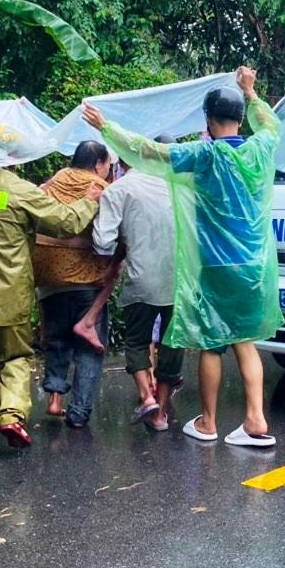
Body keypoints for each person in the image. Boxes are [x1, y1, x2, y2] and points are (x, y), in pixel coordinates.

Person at [82, 66, 283, 447]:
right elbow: (271, 125)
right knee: (245, 340)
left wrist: (106, 128)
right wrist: (251, 91)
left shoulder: (204, 155)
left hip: (216, 264)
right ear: (241, 120)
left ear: (208, 121)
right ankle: (256, 419)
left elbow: (149, 152)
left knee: (211, 342)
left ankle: (208, 423)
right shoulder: (261, 148)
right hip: (255, 265)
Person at [0, 123, 99, 456]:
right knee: (13, 356)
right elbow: (65, 223)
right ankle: (11, 414)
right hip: (7, 294)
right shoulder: (19, 190)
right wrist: (88, 201)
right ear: (11, 154)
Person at [92, 135, 184, 432]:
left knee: (136, 341)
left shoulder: (121, 188)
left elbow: (103, 242)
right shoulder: (184, 188)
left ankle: (146, 396)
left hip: (141, 279)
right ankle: (161, 415)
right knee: (172, 345)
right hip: (179, 282)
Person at [32, 140, 114, 428]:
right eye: (108, 165)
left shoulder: (51, 182)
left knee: (56, 340)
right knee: (89, 348)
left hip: (47, 278)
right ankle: (78, 413)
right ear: (98, 165)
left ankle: (55, 399)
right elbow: (109, 237)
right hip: (84, 279)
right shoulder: (100, 188)